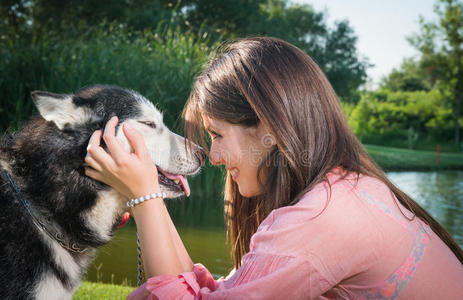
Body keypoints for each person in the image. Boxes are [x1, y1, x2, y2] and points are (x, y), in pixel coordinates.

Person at [85, 37, 463, 299]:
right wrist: (146, 193)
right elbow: (208, 293)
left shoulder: (320, 220)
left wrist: (145, 197)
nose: (213, 157)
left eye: (217, 135)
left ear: (267, 130)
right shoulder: (344, 190)